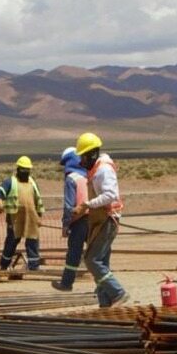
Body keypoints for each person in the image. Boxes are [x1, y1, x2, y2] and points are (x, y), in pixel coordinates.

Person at [71, 132, 128, 308]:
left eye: (83, 156)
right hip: (100, 220)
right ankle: (105, 304)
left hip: (108, 219)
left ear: (92, 154)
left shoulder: (103, 170)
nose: (81, 161)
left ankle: (118, 293)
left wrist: (86, 205)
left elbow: (110, 195)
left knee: (92, 260)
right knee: (102, 263)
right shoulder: (96, 169)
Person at [0, 156, 44, 270]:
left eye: (27, 170)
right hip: (15, 219)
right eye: (23, 169)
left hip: (31, 218)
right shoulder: (10, 182)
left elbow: (38, 200)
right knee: (11, 242)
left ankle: (34, 266)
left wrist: (39, 217)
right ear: (18, 169)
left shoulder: (33, 183)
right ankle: (4, 265)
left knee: (33, 241)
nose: (25, 172)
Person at [51, 146, 89, 292]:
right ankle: (104, 287)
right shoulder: (88, 176)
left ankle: (66, 283)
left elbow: (69, 206)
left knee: (74, 252)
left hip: (78, 220)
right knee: (95, 253)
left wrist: (66, 225)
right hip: (93, 218)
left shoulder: (71, 178)